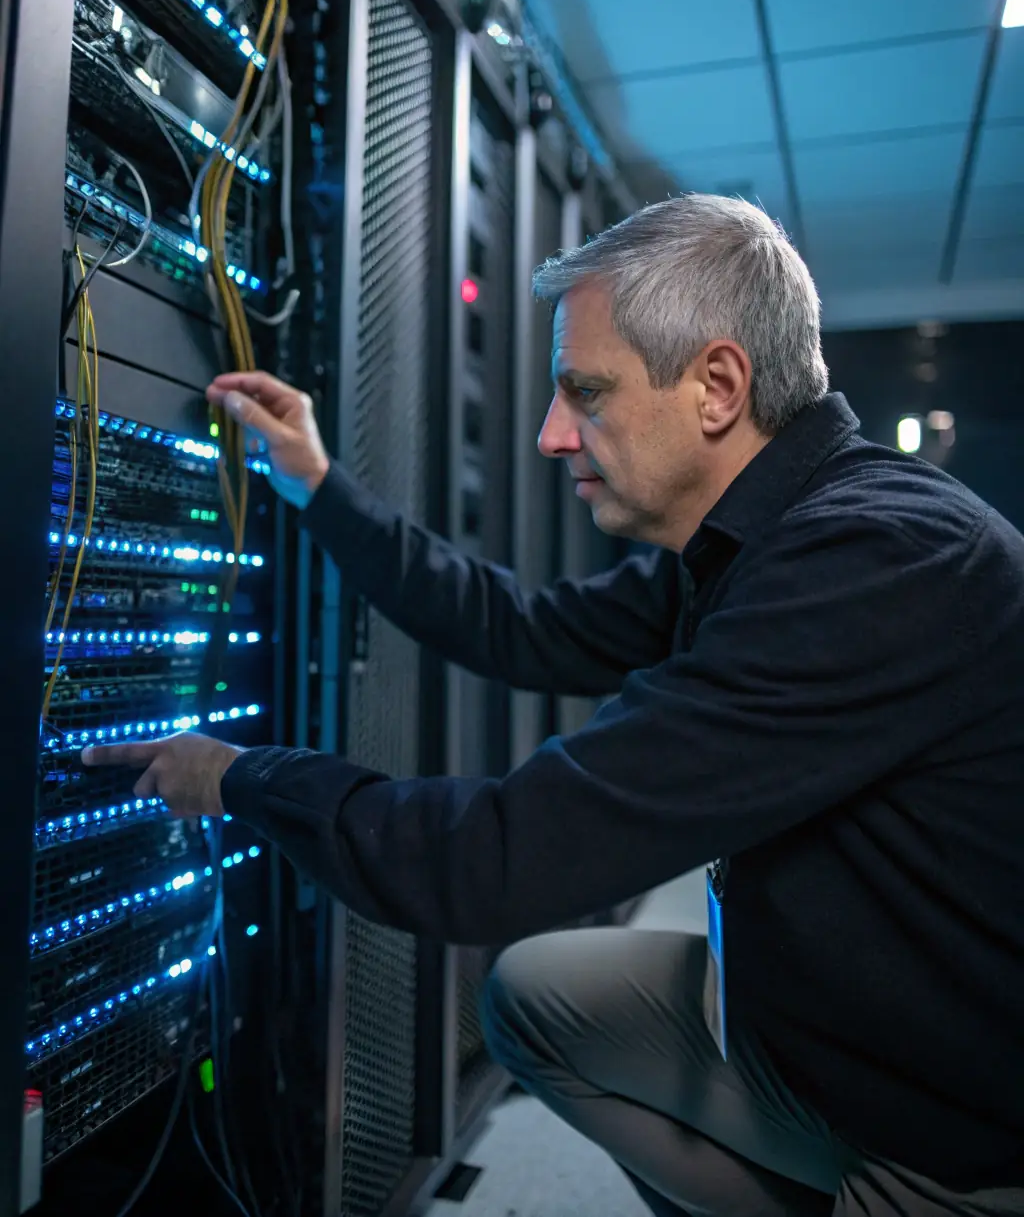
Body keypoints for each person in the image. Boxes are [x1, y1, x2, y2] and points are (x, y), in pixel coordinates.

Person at [85, 196, 1024, 1217]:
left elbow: (489, 861)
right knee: (535, 999)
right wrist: (315, 486)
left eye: (584, 391)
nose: (548, 434)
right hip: (835, 1012)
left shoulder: (875, 564)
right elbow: (516, 628)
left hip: (960, 1122)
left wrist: (238, 778)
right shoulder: (768, 534)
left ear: (716, 386)